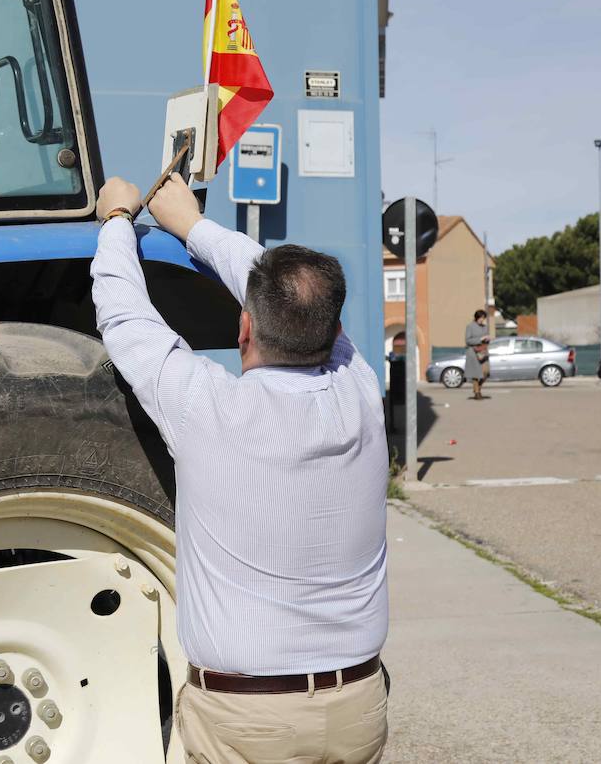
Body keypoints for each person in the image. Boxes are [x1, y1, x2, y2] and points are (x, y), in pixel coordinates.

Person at [91, 174, 389, 764]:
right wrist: (192, 226)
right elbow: (283, 288)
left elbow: (125, 317)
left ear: (244, 327)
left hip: (249, 721)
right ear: (333, 334)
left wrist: (118, 220)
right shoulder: (359, 388)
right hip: (358, 707)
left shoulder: (210, 410)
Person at [464, 309, 490, 399]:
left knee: (485, 372)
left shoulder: (485, 327)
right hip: (473, 352)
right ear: (476, 317)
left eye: (483, 318)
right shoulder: (470, 326)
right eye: (481, 318)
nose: (482, 320)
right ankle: (477, 392)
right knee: (475, 374)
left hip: (483, 351)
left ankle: (477, 388)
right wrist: (480, 339)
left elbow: (486, 339)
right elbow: (467, 340)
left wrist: (487, 339)